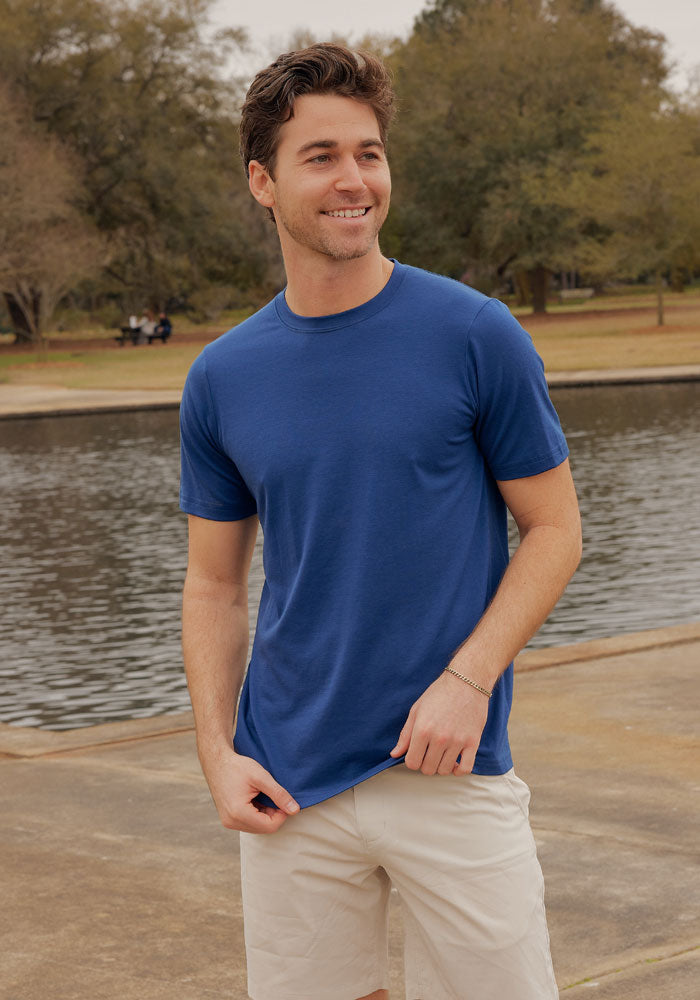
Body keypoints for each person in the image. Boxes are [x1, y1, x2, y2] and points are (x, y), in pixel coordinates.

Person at [179, 43, 582, 1000]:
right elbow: (214, 584)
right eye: (319, 156)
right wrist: (215, 753)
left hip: (450, 762)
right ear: (262, 183)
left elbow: (556, 529)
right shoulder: (222, 376)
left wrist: (466, 681)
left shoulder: (475, 334)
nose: (353, 179)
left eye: (369, 152)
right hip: (289, 775)